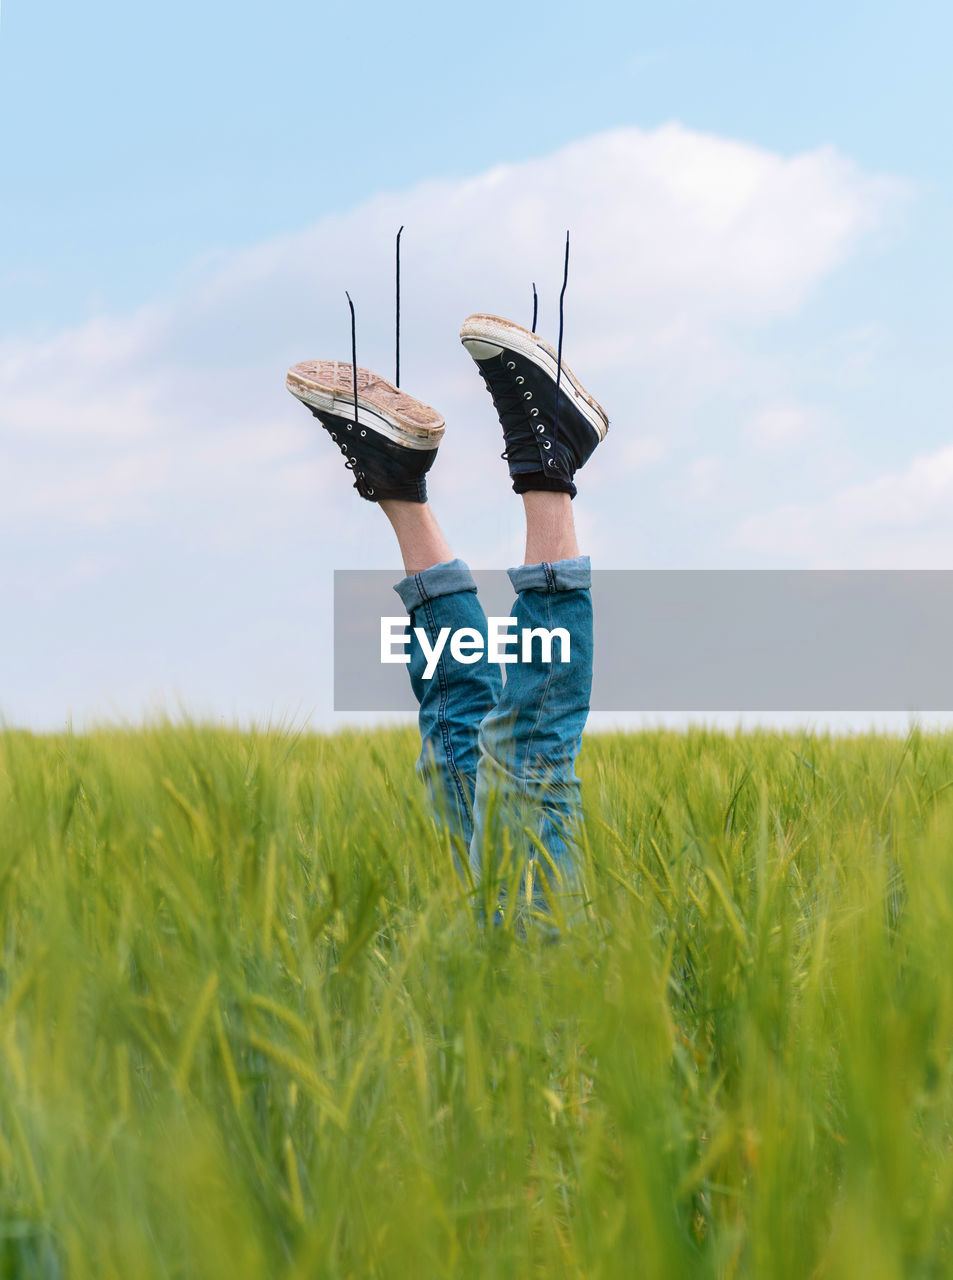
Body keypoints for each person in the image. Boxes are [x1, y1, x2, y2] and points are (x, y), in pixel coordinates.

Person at [286, 306, 609, 930]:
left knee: (457, 746)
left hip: (491, 1002)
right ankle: (550, 466)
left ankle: (400, 489)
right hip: (550, 1002)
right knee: (528, 751)